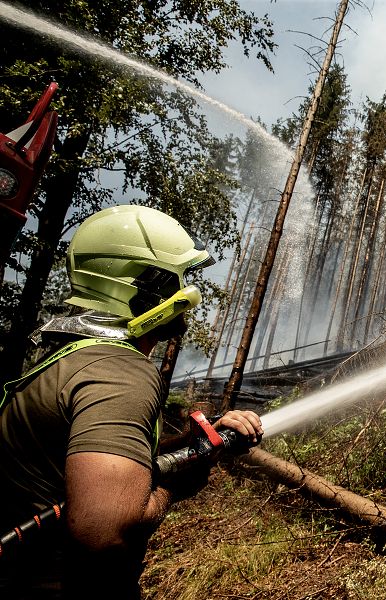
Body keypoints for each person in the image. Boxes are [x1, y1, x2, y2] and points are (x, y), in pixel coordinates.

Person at [0, 204, 263, 599]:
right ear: (145, 286)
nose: (186, 292)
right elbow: (105, 533)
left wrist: (191, 447)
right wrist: (179, 483)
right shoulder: (119, 372)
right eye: (177, 278)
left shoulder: (72, 358)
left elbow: (94, 461)